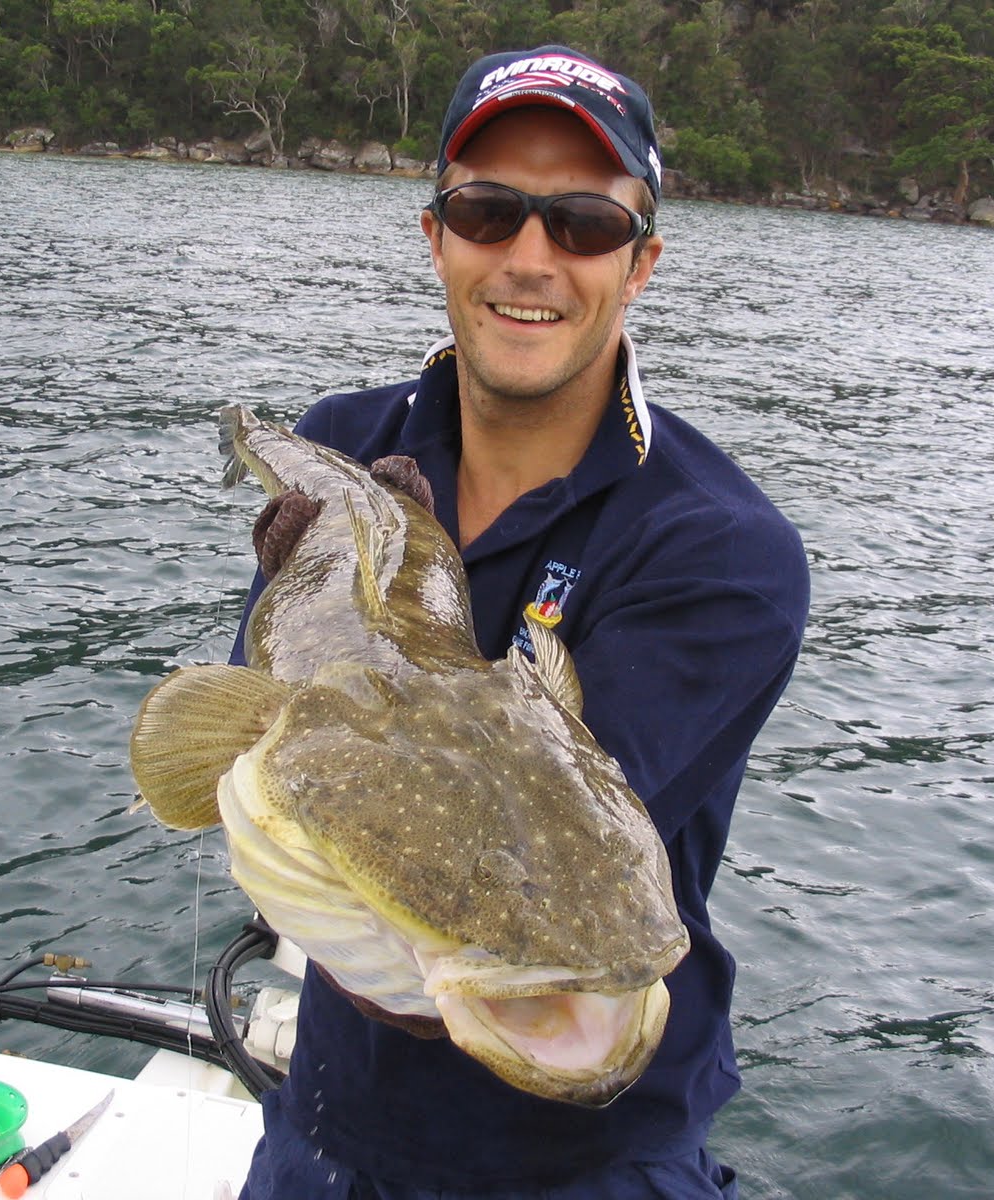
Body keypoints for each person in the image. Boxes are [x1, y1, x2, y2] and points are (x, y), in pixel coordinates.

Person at [231, 44, 810, 1200]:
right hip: (322, 1132)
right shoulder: (342, 437)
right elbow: (262, 715)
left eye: (585, 224)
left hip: (582, 1167)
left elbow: (543, 864)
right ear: (436, 235)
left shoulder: (722, 549)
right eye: (488, 210)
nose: (531, 258)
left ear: (640, 264)